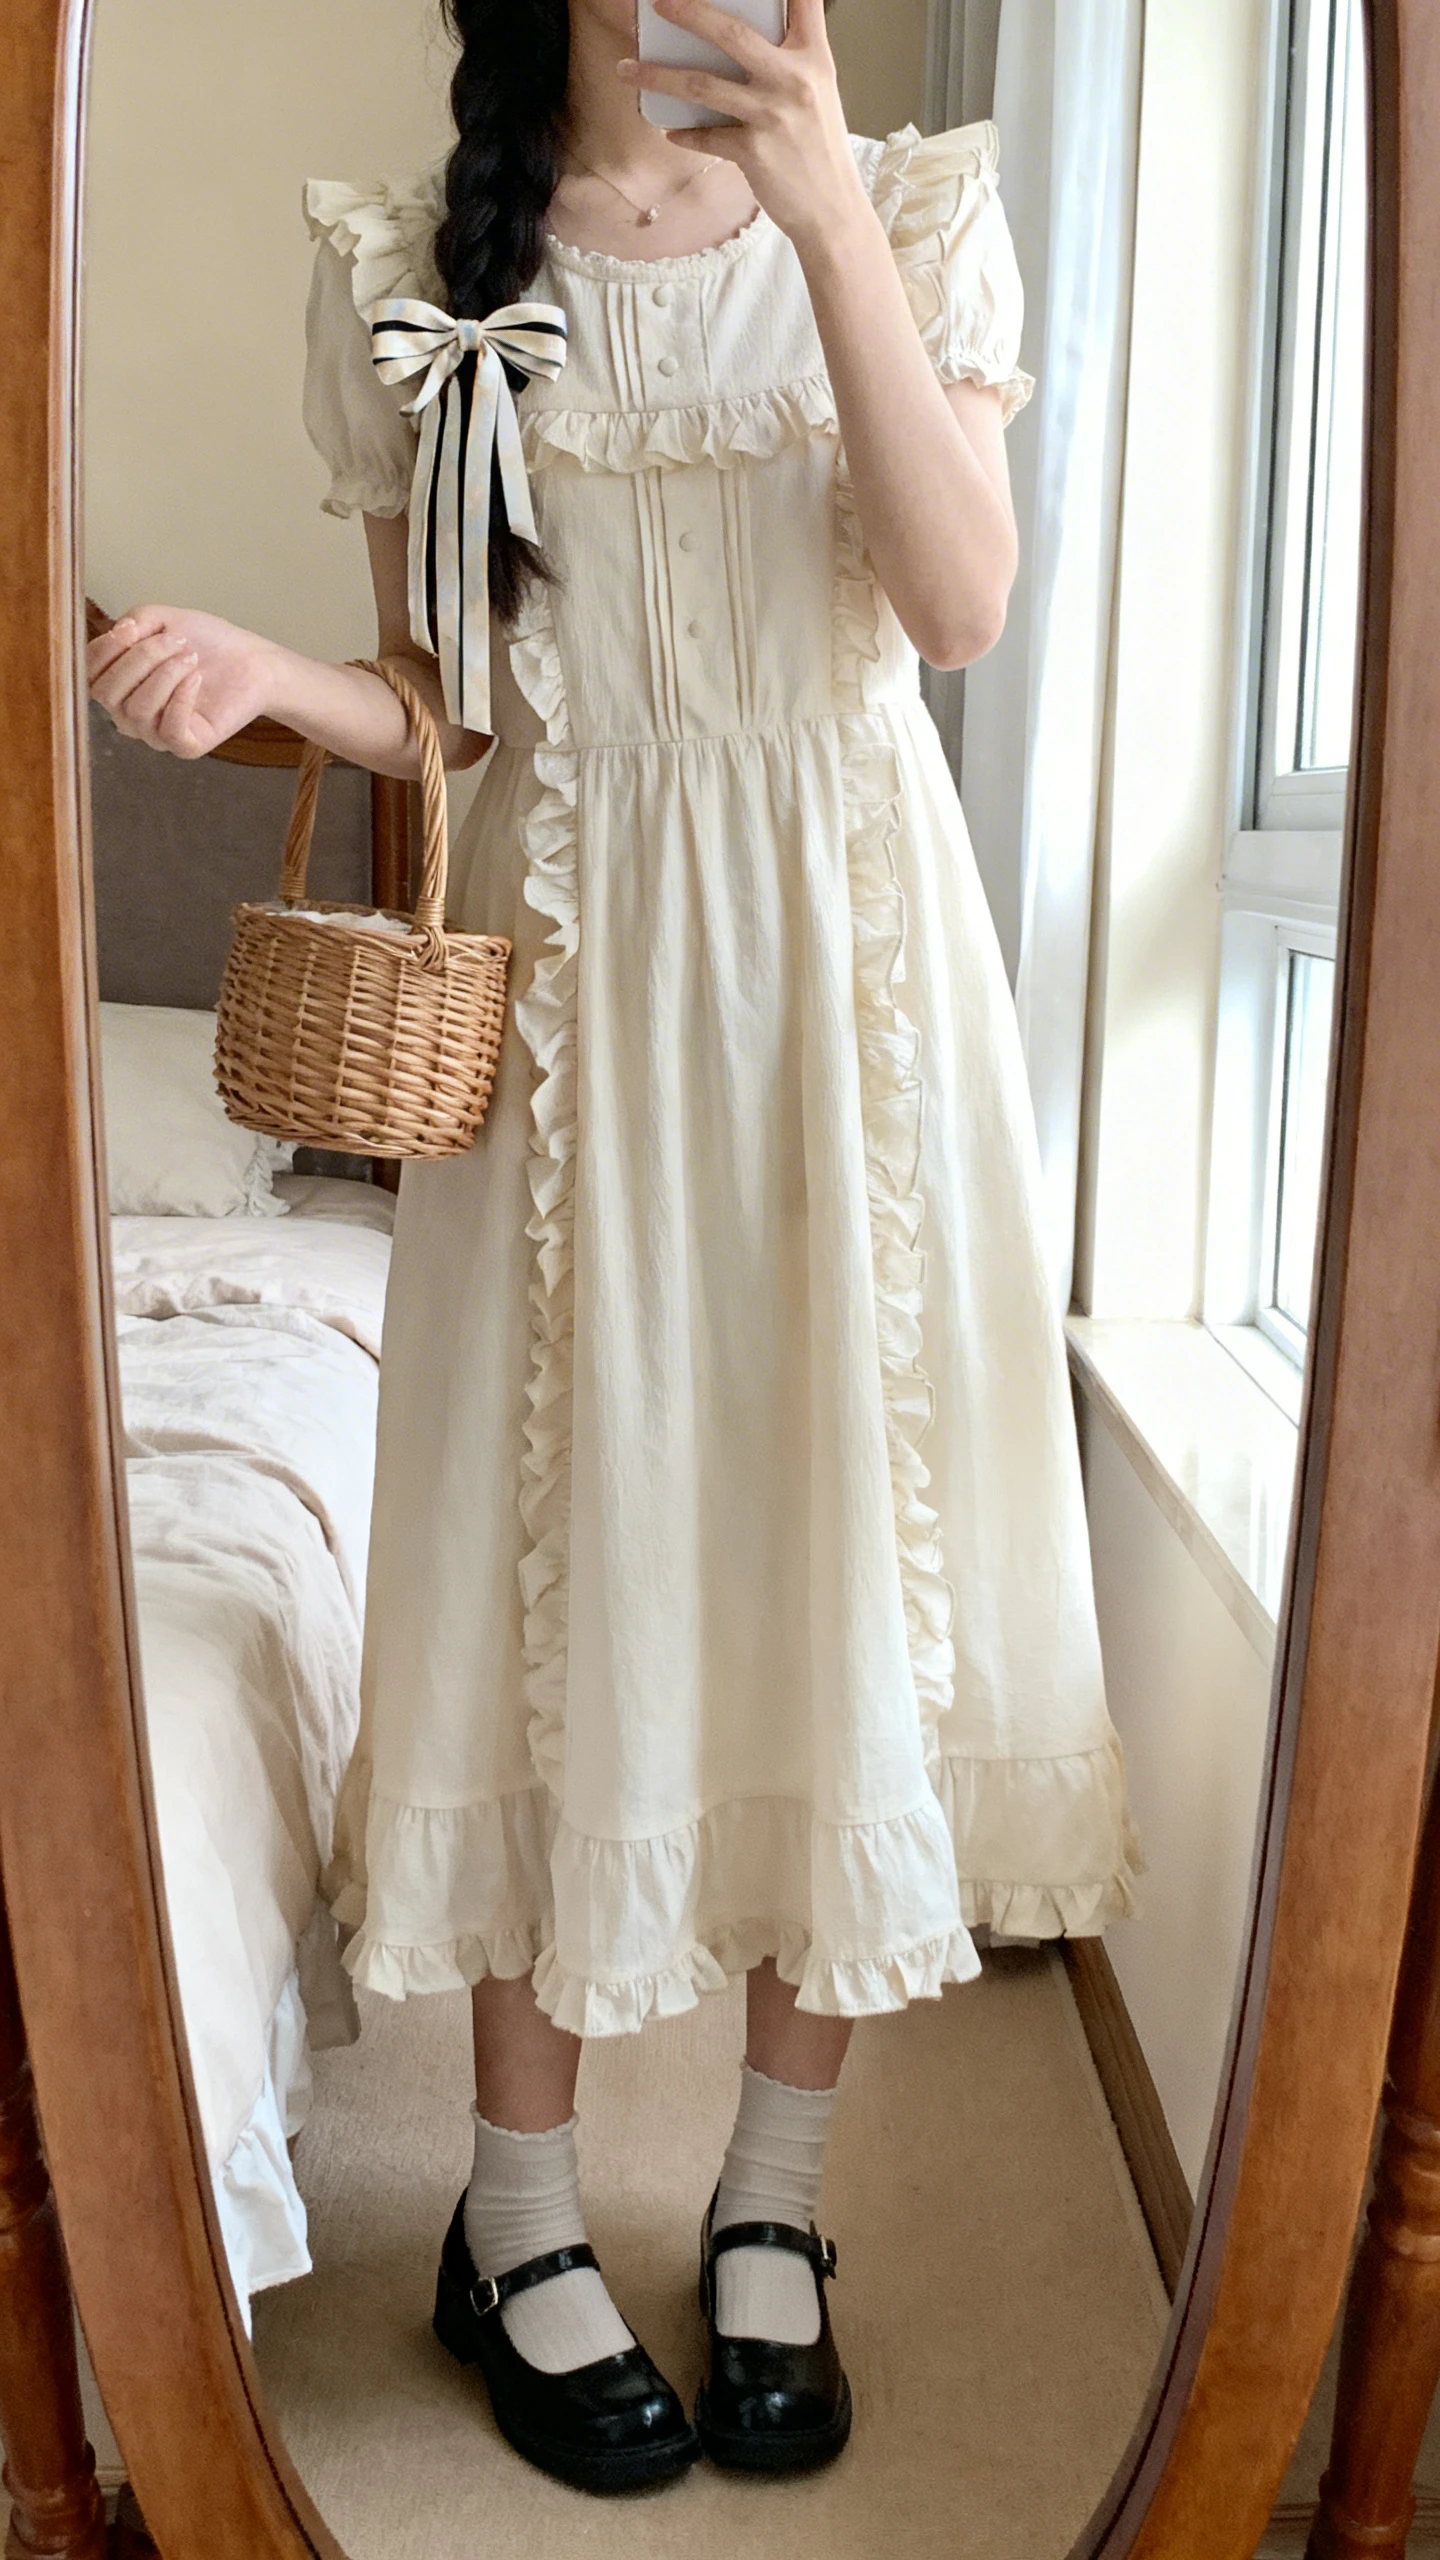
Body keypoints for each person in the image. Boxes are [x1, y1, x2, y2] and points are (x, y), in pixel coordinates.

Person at [88, 0, 1137, 2498]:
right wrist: (280, 682)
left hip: (852, 1008)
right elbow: (455, 710)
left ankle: (776, 2197)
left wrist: (822, 223)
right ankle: (520, 2208)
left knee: (830, 1580)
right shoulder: (420, 274)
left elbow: (964, 598)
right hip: (570, 1014)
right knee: (559, 1581)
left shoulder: (911, 210)